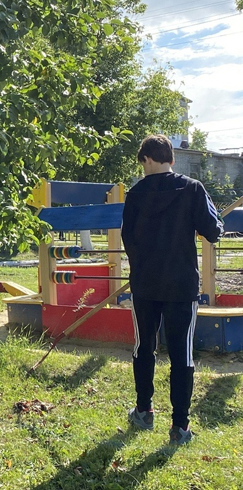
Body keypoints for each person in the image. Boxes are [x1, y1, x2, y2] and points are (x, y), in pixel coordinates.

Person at [121, 134, 224, 445]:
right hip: (181, 286)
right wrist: (216, 220)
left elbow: (129, 239)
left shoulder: (136, 193)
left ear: (148, 160)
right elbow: (213, 232)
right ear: (172, 159)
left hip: (146, 284)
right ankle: (180, 426)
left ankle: (144, 410)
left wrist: (141, 266)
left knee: (144, 347)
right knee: (182, 354)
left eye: (143, 164)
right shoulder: (193, 189)